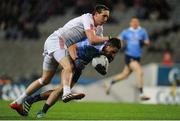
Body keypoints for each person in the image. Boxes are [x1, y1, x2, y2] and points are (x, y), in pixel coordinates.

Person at [10, 4, 111, 115]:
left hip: (54, 43)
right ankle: (67, 93)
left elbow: (97, 44)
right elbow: (92, 40)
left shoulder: (99, 28)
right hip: (58, 41)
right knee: (69, 67)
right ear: (96, 14)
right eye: (104, 16)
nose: (105, 19)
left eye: (107, 17)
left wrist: (105, 52)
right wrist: (110, 38)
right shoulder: (87, 18)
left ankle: (17, 101)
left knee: (44, 80)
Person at [19, 38, 122, 118]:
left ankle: (31, 100)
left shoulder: (106, 54)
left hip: (79, 67)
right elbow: (72, 46)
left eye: (115, 53)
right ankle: (42, 111)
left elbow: (98, 64)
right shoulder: (93, 44)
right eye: (113, 51)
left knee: (61, 90)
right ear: (108, 45)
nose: (113, 55)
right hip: (71, 61)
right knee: (61, 89)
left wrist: (102, 69)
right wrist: (76, 59)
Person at [104, 17, 150, 101]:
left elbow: (147, 42)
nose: (135, 23)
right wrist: (121, 45)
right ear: (131, 23)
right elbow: (118, 39)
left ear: (138, 23)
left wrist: (143, 42)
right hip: (130, 56)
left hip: (137, 57)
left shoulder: (142, 31)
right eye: (133, 22)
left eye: (136, 22)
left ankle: (110, 83)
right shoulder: (126, 32)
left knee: (125, 75)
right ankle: (142, 93)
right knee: (140, 72)